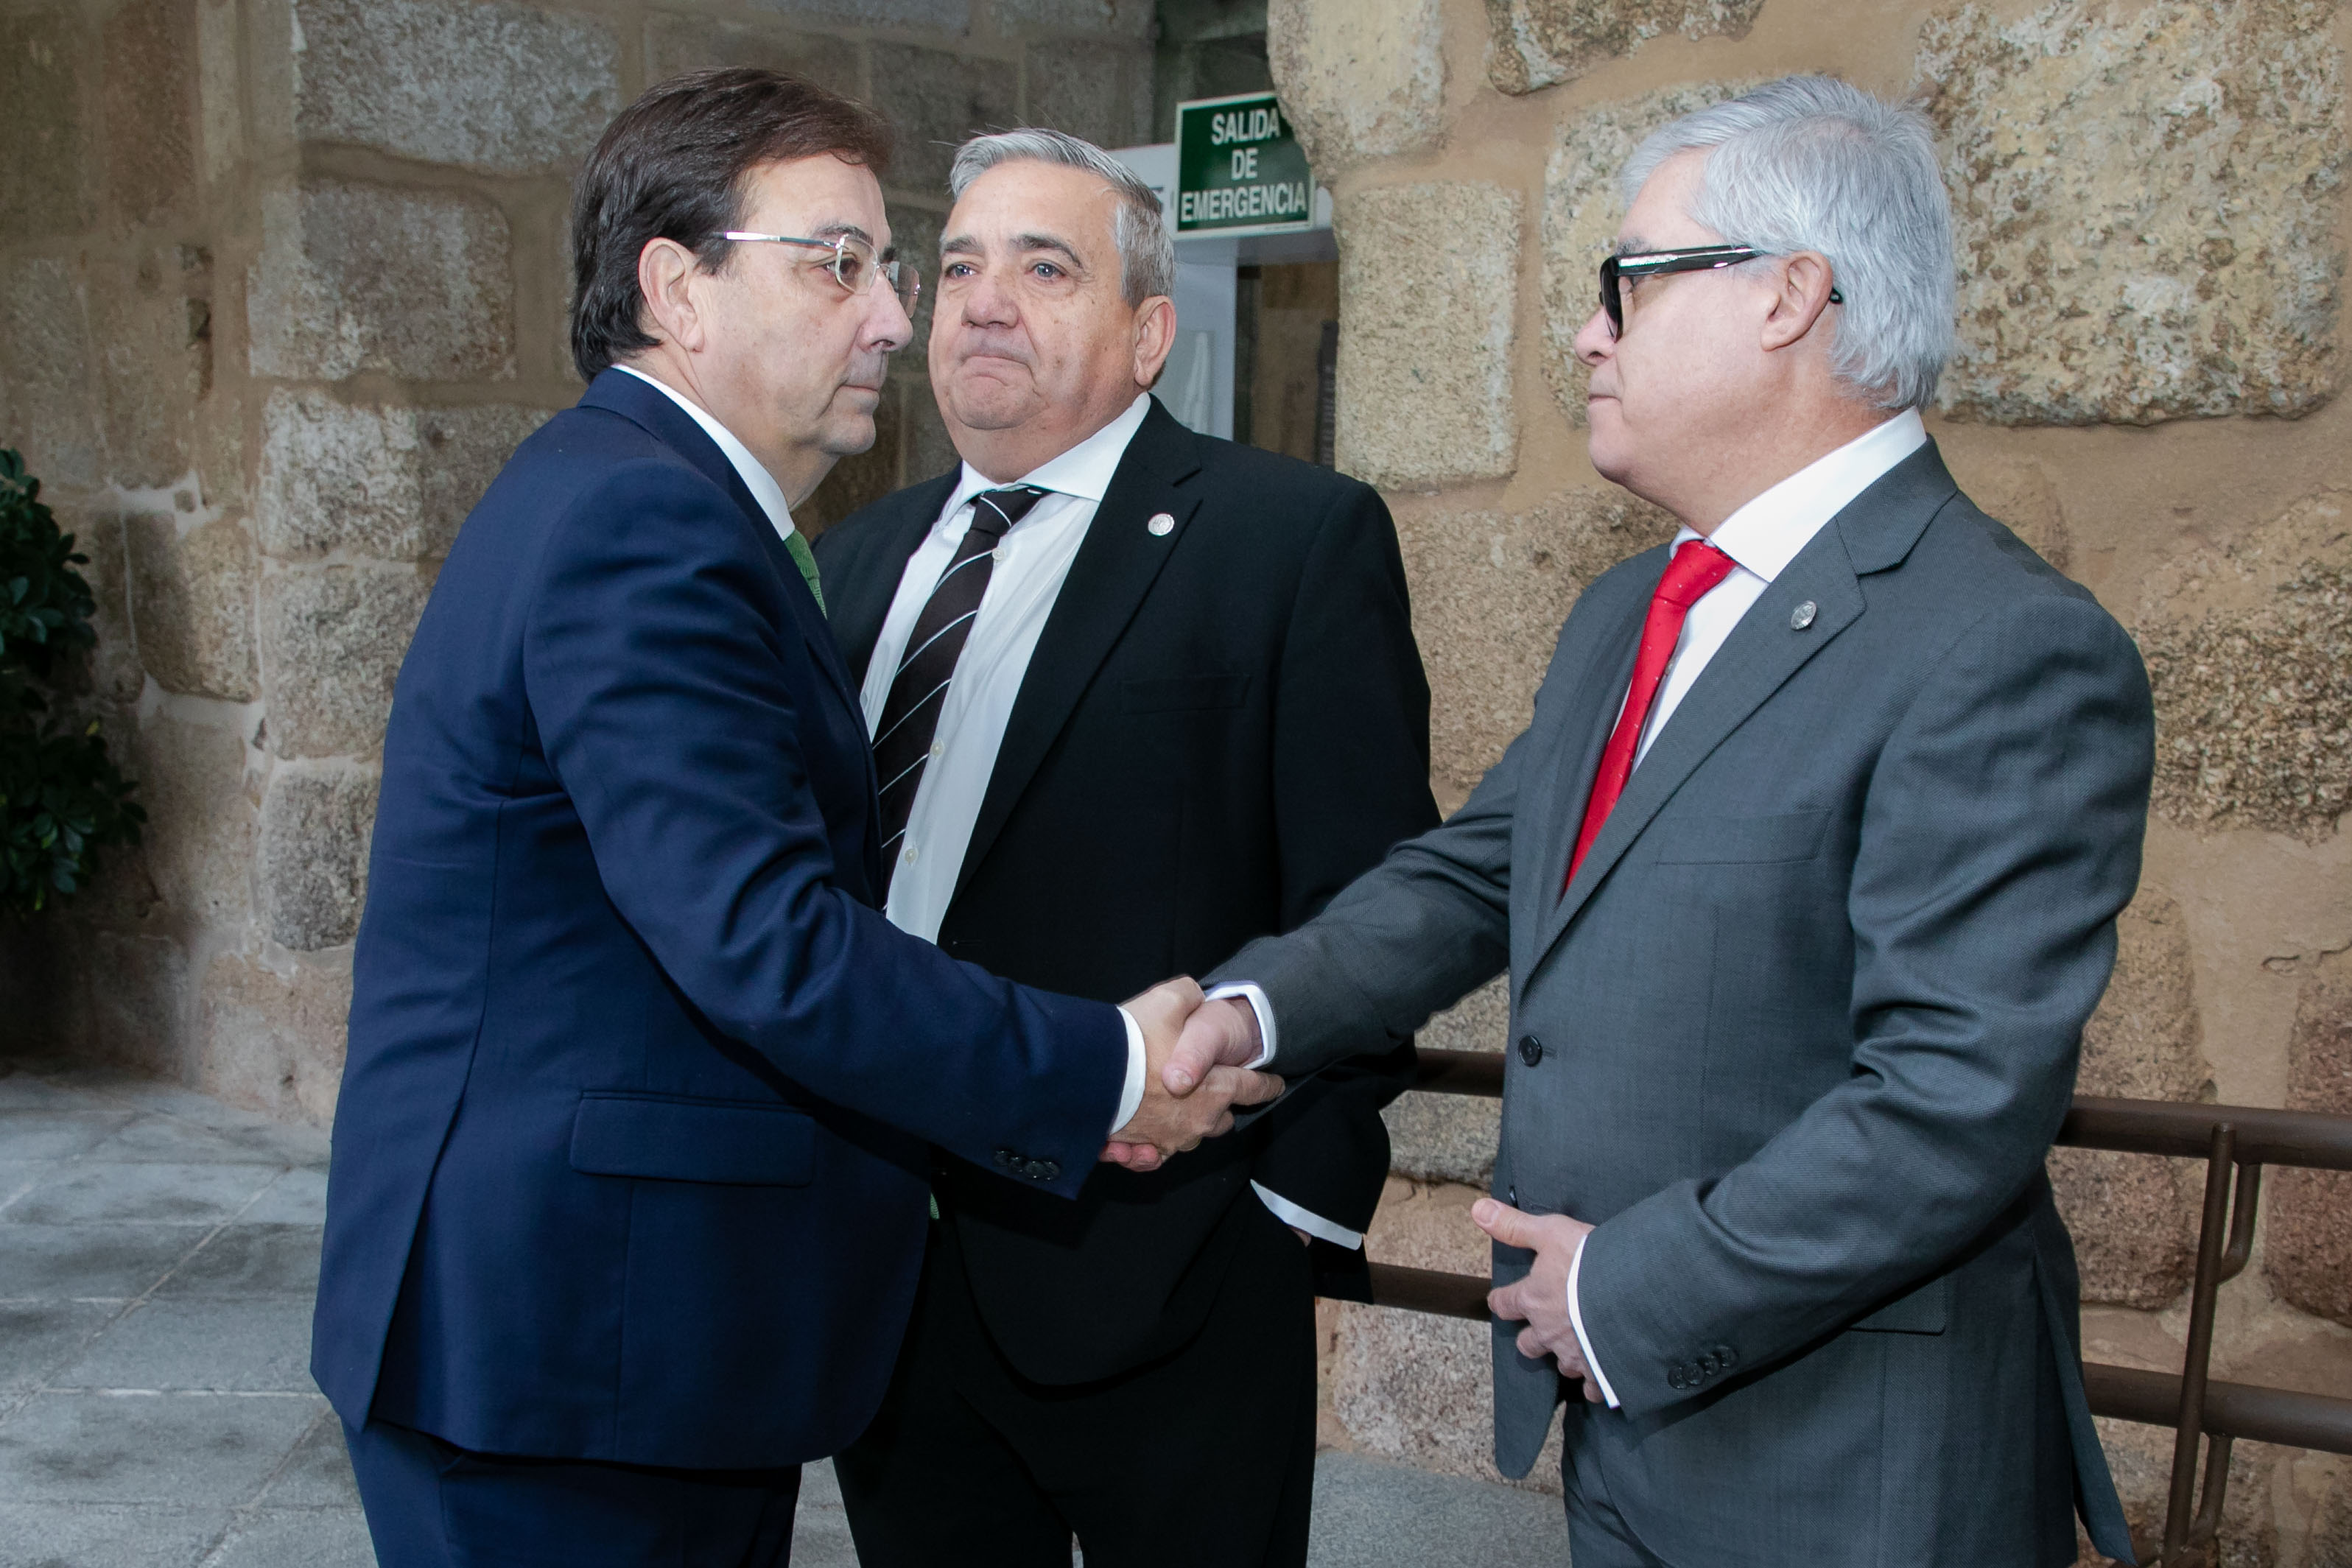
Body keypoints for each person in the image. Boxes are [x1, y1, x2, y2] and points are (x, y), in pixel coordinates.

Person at [1157, 76, 2152, 1567]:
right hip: (1621, 1428)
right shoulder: (1633, 607)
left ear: (1788, 298)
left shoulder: (1999, 642)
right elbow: (1480, 873)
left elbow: (1955, 1094)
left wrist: (1628, 1291)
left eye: (1627, 281)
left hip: (1842, 1466)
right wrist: (1252, 1013)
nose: (1585, 332)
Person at [310, 71, 1274, 1568]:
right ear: (677, 290)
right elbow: (764, 942)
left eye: (889, 270)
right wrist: (1105, 1066)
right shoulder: (645, 522)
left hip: (617, 1335)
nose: (896, 318)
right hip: (575, 1347)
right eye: (840, 265)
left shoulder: (633, 494)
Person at [813, 128, 1437, 1567]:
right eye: (958, 264)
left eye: (1044, 267)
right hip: (884, 1273)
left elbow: (1372, 899)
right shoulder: (851, 563)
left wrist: (1290, 1213)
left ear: (1150, 331)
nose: (980, 301)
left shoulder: (1289, 540)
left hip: (1169, 1271)